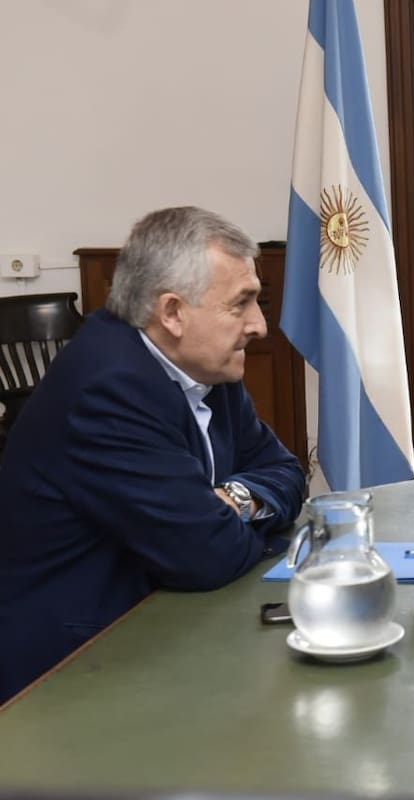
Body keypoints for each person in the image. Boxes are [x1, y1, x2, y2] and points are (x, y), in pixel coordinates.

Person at [0, 206, 306, 703]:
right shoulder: (108, 389)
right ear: (172, 313)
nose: (259, 326)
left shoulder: (206, 365)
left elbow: (287, 471)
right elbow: (209, 555)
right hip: (70, 677)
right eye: (242, 304)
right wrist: (219, 521)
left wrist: (234, 498)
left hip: (162, 634)